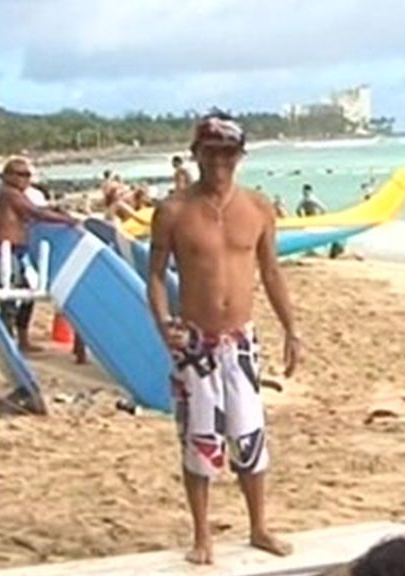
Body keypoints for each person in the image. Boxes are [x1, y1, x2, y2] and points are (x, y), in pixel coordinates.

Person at [147, 113, 298, 564]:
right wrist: (162, 323)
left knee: (250, 436)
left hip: (243, 342)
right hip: (194, 342)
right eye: (210, 152)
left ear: (240, 157)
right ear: (196, 154)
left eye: (228, 153)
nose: (219, 162)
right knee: (199, 440)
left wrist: (292, 329)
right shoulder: (173, 210)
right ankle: (202, 536)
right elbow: (154, 274)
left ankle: (259, 527)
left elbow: (271, 272)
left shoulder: (257, 207)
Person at [0, 158, 78, 353]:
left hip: (15, 252)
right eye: (21, 174)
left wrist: (54, 209)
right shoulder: (9, 194)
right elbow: (35, 212)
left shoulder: (16, 195)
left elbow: (37, 210)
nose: (26, 179)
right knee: (9, 299)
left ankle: (21, 340)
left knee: (27, 296)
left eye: (28, 175)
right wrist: (68, 220)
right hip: (5, 253)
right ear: (8, 176)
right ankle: (7, 343)